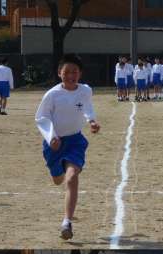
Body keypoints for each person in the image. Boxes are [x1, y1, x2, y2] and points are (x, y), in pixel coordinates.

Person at [35, 54, 101, 241]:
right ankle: (58, 172)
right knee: (58, 180)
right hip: (55, 144)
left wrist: (92, 121)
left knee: (71, 178)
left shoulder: (85, 90)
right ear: (59, 73)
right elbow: (42, 118)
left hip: (75, 142)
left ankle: (66, 222)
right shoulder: (52, 95)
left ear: (80, 73)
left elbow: (87, 107)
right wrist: (51, 137)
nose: (71, 75)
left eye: (75, 72)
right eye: (67, 72)